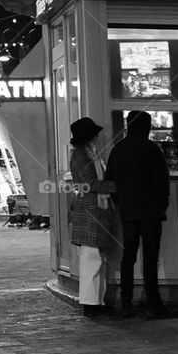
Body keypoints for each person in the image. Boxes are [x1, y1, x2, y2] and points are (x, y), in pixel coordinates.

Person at [104, 110, 171, 318]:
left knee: (128, 257)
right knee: (150, 258)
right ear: (147, 126)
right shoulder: (152, 149)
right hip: (150, 211)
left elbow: (110, 182)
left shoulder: (118, 149)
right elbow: (161, 182)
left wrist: (121, 203)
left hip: (128, 211)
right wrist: (162, 204)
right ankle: (154, 303)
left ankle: (126, 303)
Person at [68, 117, 117, 318]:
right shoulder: (84, 155)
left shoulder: (86, 154)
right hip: (91, 211)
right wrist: (116, 185)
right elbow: (90, 183)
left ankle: (96, 301)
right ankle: (91, 303)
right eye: (95, 133)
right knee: (92, 259)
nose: (98, 136)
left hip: (91, 210)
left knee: (96, 259)